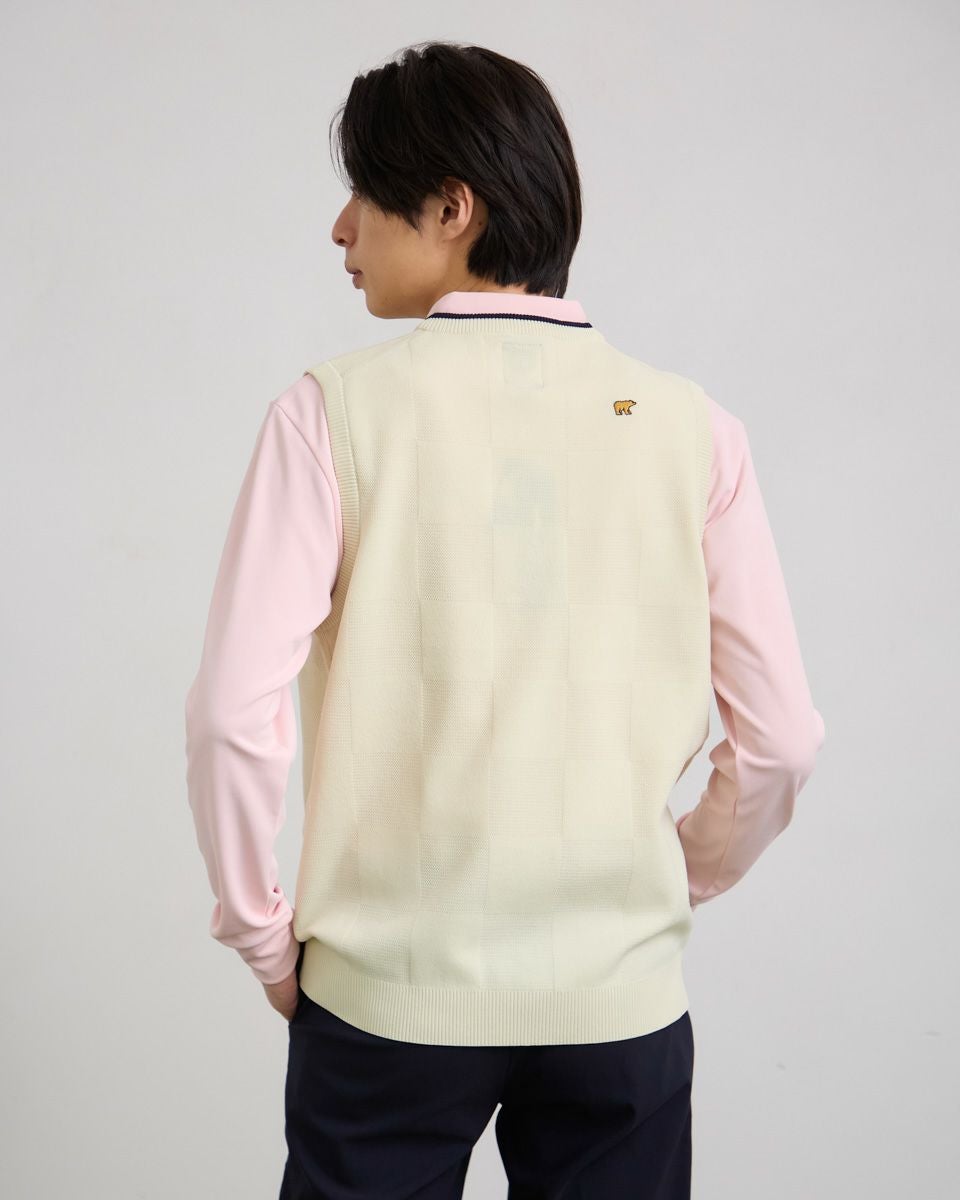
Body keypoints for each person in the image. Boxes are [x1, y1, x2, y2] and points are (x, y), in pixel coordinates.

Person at [184, 39, 825, 1200]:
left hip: (385, 995)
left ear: (451, 207)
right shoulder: (696, 430)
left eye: (365, 191)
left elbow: (234, 715)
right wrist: (672, 880)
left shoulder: (330, 416)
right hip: (618, 999)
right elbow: (782, 737)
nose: (340, 228)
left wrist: (263, 936)